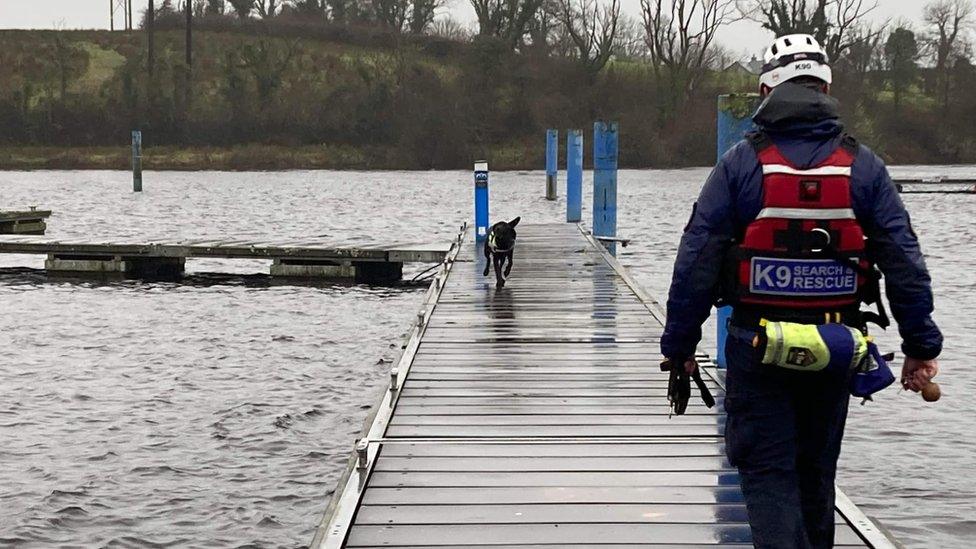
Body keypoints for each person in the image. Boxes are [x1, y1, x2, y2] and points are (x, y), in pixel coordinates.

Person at [660, 34, 943, 548]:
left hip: (757, 347)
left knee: (768, 475)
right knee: (816, 475)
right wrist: (921, 346)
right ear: (827, 87)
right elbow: (904, 259)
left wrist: (679, 346)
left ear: (765, 90)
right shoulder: (865, 167)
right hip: (835, 347)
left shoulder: (740, 164)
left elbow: (697, 257)